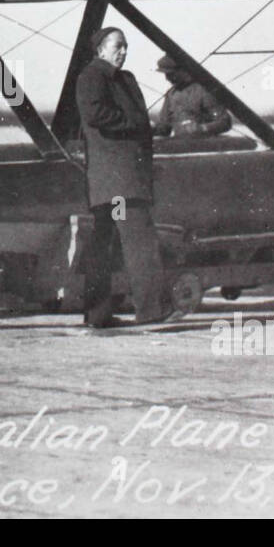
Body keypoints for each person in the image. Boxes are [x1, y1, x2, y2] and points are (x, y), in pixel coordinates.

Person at [75, 27, 174, 326]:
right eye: (118, 46)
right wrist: (136, 124)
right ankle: (152, 310)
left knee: (105, 242)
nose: (123, 51)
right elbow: (95, 114)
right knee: (139, 241)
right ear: (101, 49)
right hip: (120, 185)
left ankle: (98, 314)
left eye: (126, 46)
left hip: (114, 182)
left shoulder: (122, 78)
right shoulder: (93, 77)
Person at [153, 54, 232, 138]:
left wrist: (202, 128)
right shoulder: (171, 94)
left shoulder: (204, 91)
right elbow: (164, 128)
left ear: (182, 70)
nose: (167, 78)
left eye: (171, 74)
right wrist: (149, 130)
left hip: (205, 144)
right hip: (181, 144)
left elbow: (224, 122)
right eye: (166, 75)